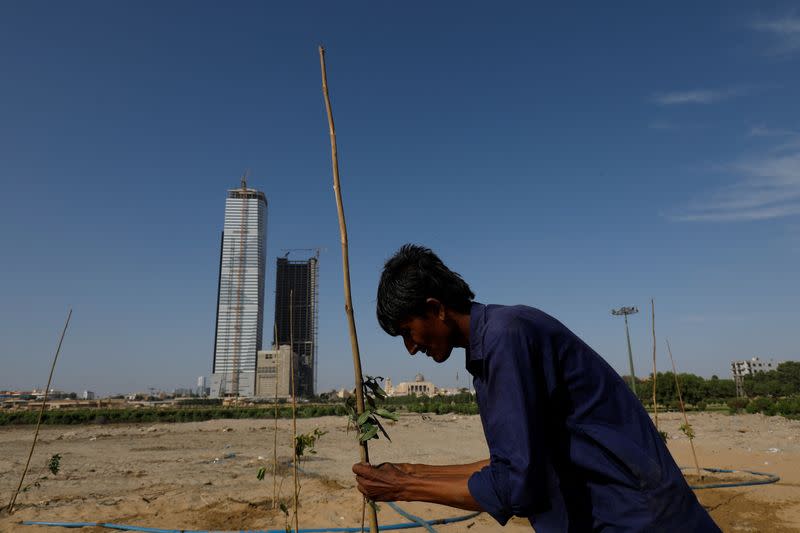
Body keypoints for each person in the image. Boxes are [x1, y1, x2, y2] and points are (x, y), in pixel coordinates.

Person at [352, 244, 720, 532]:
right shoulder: (494, 340)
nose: (411, 347)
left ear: (436, 309)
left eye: (407, 332)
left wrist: (402, 489)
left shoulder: (505, 339)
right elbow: (518, 462)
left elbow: (516, 484)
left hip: (640, 519)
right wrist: (410, 472)